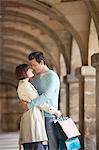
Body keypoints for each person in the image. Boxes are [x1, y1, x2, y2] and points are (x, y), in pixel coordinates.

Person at [16, 64, 61, 150]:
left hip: (32, 116)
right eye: (29, 69)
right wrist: (54, 111)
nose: (32, 70)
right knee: (36, 144)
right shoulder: (25, 86)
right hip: (32, 118)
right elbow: (39, 102)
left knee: (34, 144)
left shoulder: (25, 84)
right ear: (24, 72)